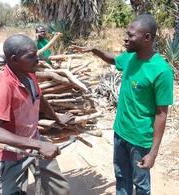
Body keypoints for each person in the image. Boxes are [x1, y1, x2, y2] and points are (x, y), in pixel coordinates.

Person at [71, 14, 173, 194]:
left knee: (141, 184)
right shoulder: (129, 57)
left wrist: (153, 153)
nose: (126, 38)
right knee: (121, 177)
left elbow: (161, 114)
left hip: (140, 139)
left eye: (131, 35)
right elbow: (113, 60)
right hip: (120, 132)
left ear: (147, 38)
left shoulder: (161, 71)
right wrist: (95, 49)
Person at [0, 33, 74, 195]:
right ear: (14, 59)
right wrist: (39, 145)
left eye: (36, 54)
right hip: (11, 153)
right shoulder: (4, 85)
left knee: (60, 190)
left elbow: (39, 97)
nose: (37, 59)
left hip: (34, 140)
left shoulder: (29, 74)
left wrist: (57, 118)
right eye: (31, 56)